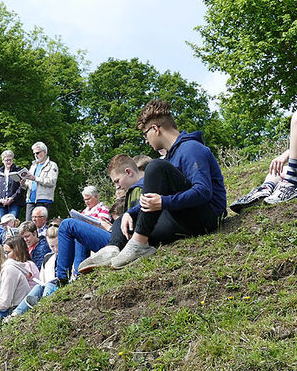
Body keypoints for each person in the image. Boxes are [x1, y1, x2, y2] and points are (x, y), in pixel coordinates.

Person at [81, 100, 227, 271]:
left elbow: (203, 192)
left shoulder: (191, 148)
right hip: (181, 218)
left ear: (156, 129)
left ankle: (139, 244)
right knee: (126, 218)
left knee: (155, 166)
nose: (146, 141)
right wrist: (130, 212)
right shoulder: (172, 156)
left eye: (145, 134)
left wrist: (164, 202)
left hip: (206, 218)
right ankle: (113, 249)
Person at [58, 155, 144, 280]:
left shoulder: (138, 191)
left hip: (121, 242)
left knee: (67, 225)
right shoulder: (134, 192)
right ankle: (76, 275)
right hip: (118, 238)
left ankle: (61, 279)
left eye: (117, 181)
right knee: (76, 230)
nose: (117, 187)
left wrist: (108, 227)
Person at [11, 225, 61, 318]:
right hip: (46, 286)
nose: (56, 249)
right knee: (38, 287)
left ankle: (44, 309)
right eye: (52, 246)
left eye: (58, 245)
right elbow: (42, 278)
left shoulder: (68, 255)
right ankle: (16, 314)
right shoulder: (48, 257)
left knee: (49, 285)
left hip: (58, 286)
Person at [20, 141, 59, 220]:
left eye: (37, 153)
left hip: (43, 200)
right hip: (30, 200)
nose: (35, 155)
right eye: (34, 153)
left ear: (44, 152)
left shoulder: (52, 165)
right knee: (28, 225)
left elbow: (52, 181)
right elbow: (29, 183)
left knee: (41, 225)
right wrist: (23, 184)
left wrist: (35, 178)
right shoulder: (33, 166)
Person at [0, 149, 24, 218]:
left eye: (10, 160)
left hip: (15, 202)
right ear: (2, 161)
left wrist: (12, 198)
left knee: (12, 221)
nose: (9, 162)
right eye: (7, 160)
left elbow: (22, 186)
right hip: (1, 204)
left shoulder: (18, 170)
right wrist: (0, 199)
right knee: (3, 224)